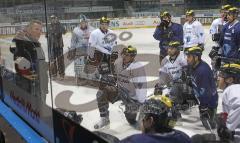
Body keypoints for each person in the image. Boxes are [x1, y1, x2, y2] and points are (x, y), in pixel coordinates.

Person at [94, 46, 147, 129]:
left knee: (131, 120)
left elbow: (142, 87)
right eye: (123, 54)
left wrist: (140, 102)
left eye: (127, 55)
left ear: (133, 57)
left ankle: (135, 114)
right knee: (101, 93)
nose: (124, 56)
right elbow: (114, 76)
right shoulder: (118, 63)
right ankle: (104, 118)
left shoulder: (138, 67)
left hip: (131, 96)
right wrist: (104, 75)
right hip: (119, 90)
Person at [120, 95, 192, 143]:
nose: (142, 121)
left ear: (150, 121)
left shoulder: (135, 140)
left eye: (143, 117)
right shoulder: (183, 137)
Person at [12, 20, 48, 100]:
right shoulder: (22, 43)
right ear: (29, 30)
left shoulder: (37, 44)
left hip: (40, 87)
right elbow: (18, 63)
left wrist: (46, 65)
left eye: (40, 30)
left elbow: (38, 62)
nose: (39, 32)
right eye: (36, 29)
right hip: (29, 89)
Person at [184, 46, 218, 130]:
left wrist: (204, 107)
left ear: (196, 57)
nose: (187, 59)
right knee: (177, 90)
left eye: (189, 57)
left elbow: (206, 93)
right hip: (198, 94)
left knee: (209, 125)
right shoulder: (192, 65)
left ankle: (214, 114)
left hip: (209, 102)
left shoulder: (203, 71)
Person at [157, 41, 187, 106]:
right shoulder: (165, 60)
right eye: (169, 48)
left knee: (174, 92)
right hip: (171, 85)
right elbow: (162, 76)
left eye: (172, 49)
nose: (169, 50)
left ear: (178, 49)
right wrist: (159, 86)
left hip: (183, 85)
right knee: (159, 95)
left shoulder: (183, 58)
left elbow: (188, 73)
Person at [217, 63, 240, 143]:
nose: (218, 78)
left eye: (221, 75)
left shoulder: (233, 88)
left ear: (230, 80)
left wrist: (228, 127)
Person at [69, 15, 94, 84]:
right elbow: (73, 42)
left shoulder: (92, 30)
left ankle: (90, 79)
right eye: (81, 22)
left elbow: (95, 40)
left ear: (86, 22)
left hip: (89, 51)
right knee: (79, 65)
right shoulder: (76, 30)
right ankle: (80, 79)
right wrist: (72, 50)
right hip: (79, 51)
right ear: (79, 23)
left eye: (84, 22)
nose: (83, 24)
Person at [209, 4, 232, 80]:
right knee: (214, 65)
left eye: (225, 12)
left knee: (225, 66)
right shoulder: (216, 22)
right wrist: (218, 36)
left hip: (227, 49)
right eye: (222, 12)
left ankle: (224, 80)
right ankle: (214, 80)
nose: (223, 14)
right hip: (217, 47)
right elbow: (213, 35)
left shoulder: (232, 23)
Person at [48, 15, 66, 80]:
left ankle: (62, 74)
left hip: (59, 46)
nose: (53, 20)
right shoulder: (49, 27)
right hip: (52, 47)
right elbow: (47, 36)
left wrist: (59, 24)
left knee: (60, 61)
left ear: (56, 19)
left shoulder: (59, 25)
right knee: (53, 61)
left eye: (54, 18)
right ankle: (54, 74)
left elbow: (64, 32)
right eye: (52, 19)